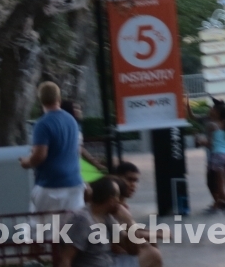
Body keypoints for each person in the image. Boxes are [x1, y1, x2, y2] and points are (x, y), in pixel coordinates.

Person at [22, 82, 84, 213]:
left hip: (50, 186)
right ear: (59, 98)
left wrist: (26, 162)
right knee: (72, 224)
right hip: (74, 183)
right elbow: (76, 150)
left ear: (40, 100)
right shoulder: (72, 121)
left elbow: (40, 156)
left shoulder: (42, 124)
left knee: (44, 224)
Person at [57, 176, 139, 267]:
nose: (119, 202)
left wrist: (130, 222)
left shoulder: (106, 217)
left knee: (139, 257)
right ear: (111, 200)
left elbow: (133, 250)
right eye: (118, 197)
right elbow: (66, 258)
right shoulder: (81, 220)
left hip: (110, 263)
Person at [112, 177, 162, 267]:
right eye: (129, 180)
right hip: (105, 260)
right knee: (153, 254)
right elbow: (132, 246)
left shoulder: (118, 209)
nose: (132, 185)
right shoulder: (116, 212)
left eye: (135, 181)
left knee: (149, 243)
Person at [62, 99, 107, 183]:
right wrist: (96, 164)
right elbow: (78, 147)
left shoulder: (77, 124)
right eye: (75, 108)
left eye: (79, 108)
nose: (79, 111)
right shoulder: (69, 126)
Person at [204, 100, 225, 213]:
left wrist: (199, 141)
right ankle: (221, 203)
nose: (211, 110)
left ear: (217, 113)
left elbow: (210, 143)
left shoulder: (213, 125)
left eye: (213, 109)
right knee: (224, 182)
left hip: (217, 155)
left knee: (221, 184)